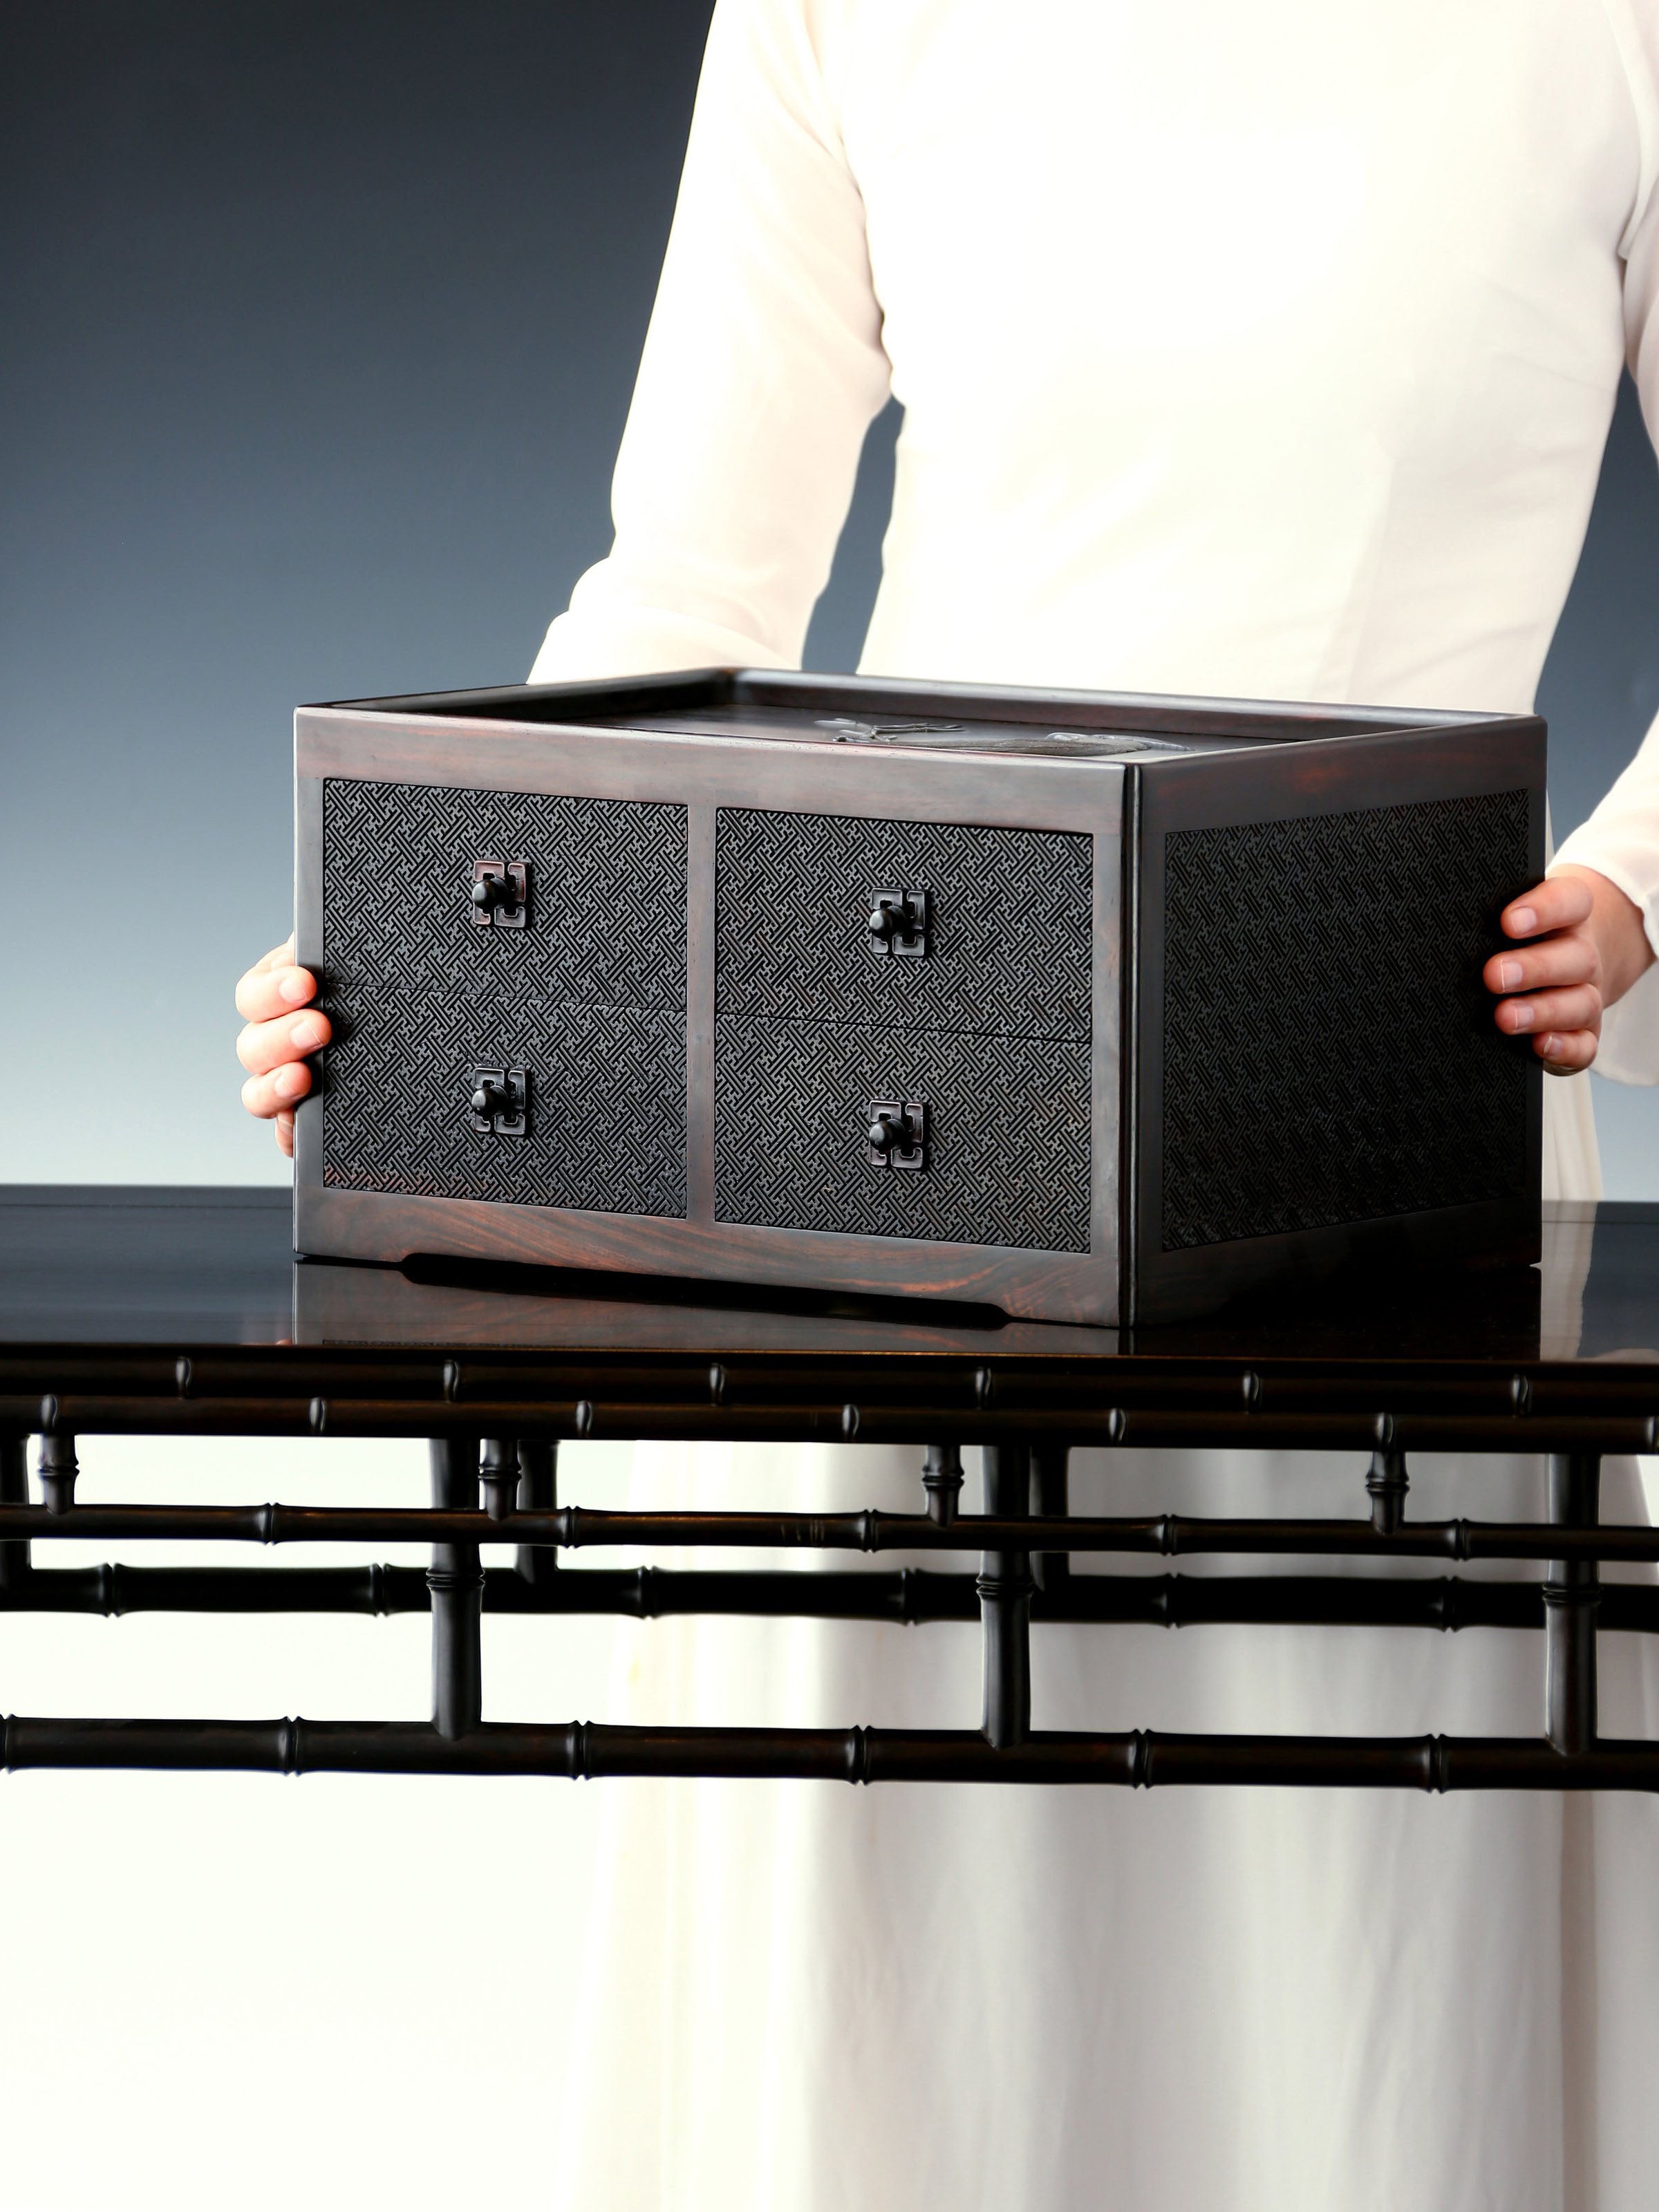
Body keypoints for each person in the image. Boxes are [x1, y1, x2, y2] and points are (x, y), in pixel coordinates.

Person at [236, 5, 1659, 2204]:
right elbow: (689, 589)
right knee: (898, 1937)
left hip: (1378, 1113)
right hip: (897, 1078)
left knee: (1350, 1923)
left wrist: (1635, 893)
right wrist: (420, 953)